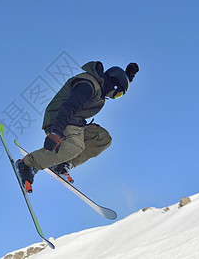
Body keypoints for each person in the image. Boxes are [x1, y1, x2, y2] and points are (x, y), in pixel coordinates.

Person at [15, 61, 139, 193]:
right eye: (117, 93)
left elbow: (114, 80)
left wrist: (126, 77)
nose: (114, 97)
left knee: (103, 138)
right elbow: (68, 107)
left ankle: (62, 163)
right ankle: (27, 164)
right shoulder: (88, 85)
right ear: (113, 84)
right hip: (60, 119)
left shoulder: (101, 86)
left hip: (74, 122)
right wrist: (56, 132)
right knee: (75, 146)